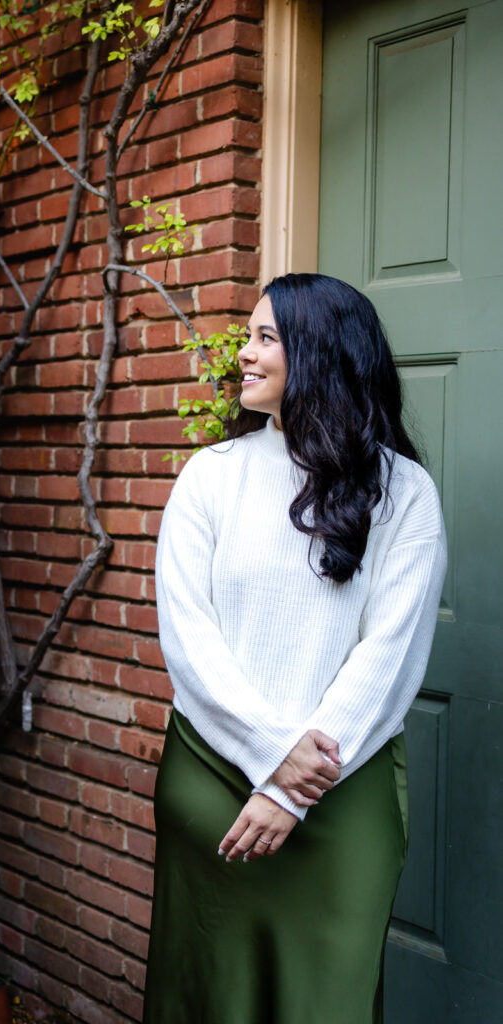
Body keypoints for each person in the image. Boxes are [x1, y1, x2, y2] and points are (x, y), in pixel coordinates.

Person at [142, 273, 447, 1024]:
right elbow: (187, 636)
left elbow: (391, 653)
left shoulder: (403, 492)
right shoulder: (209, 477)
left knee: (325, 1001)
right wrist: (268, 753)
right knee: (207, 994)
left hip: (342, 792)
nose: (242, 355)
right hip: (210, 782)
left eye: (263, 338)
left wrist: (288, 788)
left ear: (320, 351)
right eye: (247, 337)